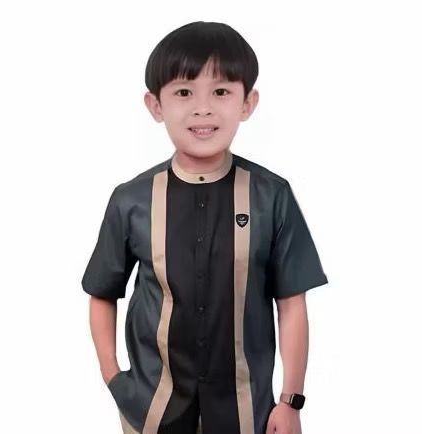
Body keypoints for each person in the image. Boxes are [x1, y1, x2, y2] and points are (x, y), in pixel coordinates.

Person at [81, 21, 329, 434]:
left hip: (247, 414)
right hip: (150, 412)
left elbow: (291, 304)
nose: (203, 109)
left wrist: (291, 401)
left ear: (247, 103)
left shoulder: (271, 196)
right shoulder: (131, 199)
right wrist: (113, 378)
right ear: (155, 105)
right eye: (183, 92)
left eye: (221, 92)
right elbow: (102, 293)